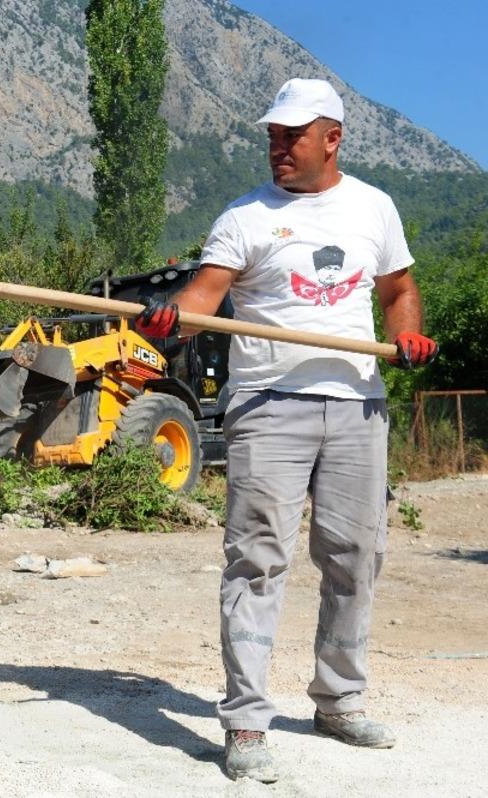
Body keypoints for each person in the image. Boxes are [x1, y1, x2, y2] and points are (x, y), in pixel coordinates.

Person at [134, 78, 437, 783]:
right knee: (257, 559)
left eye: (291, 136)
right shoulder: (245, 217)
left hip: (358, 404)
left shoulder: (374, 208)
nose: (277, 147)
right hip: (269, 404)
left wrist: (409, 334)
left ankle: (339, 701)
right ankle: (245, 722)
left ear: (332, 138)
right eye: (272, 135)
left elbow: (397, 290)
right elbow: (203, 299)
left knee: (356, 555)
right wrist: (169, 320)